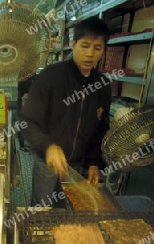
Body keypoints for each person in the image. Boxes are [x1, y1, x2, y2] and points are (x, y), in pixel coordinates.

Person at [20, 17, 111, 207]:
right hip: (49, 163)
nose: (90, 54)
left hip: (80, 166)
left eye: (97, 48)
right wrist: (48, 146)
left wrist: (94, 162)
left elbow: (101, 129)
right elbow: (27, 120)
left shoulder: (102, 85)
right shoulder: (51, 76)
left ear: (103, 50)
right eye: (85, 46)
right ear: (73, 44)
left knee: (72, 211)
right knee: (42, 211)